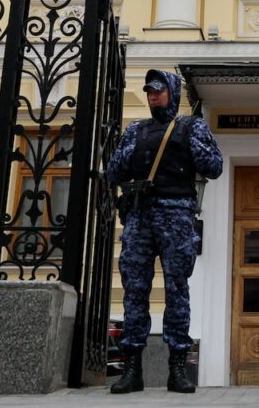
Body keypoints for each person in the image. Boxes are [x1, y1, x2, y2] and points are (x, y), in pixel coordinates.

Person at [106, 69, 223, 395]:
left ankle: (177, 368)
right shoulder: (135, 129)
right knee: (135, 292)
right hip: (140, 217)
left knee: (177, 291)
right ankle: (132, 369)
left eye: (158, 90)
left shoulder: (192, 126)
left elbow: (214, 166)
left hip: (177, 217)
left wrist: (187, 144)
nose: (152, 95)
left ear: (172, 91)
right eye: (148, 91)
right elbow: (113, 170)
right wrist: (134, 152)